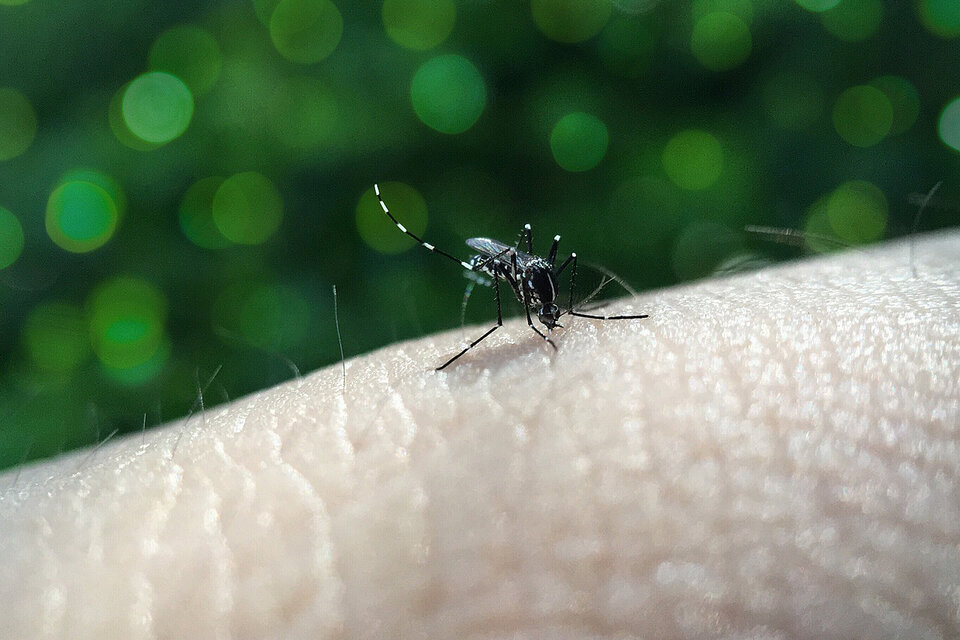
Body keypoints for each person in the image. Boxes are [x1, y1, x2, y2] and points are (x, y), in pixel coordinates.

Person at [1, 232, 958, 639]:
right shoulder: (515, 280)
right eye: (540, 301)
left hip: (529, 269)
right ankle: (508, 333)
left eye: (544, 301)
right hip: (507, 271)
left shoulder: (543, 275)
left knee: (547, 273)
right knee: (521, 285)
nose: (541, 302)